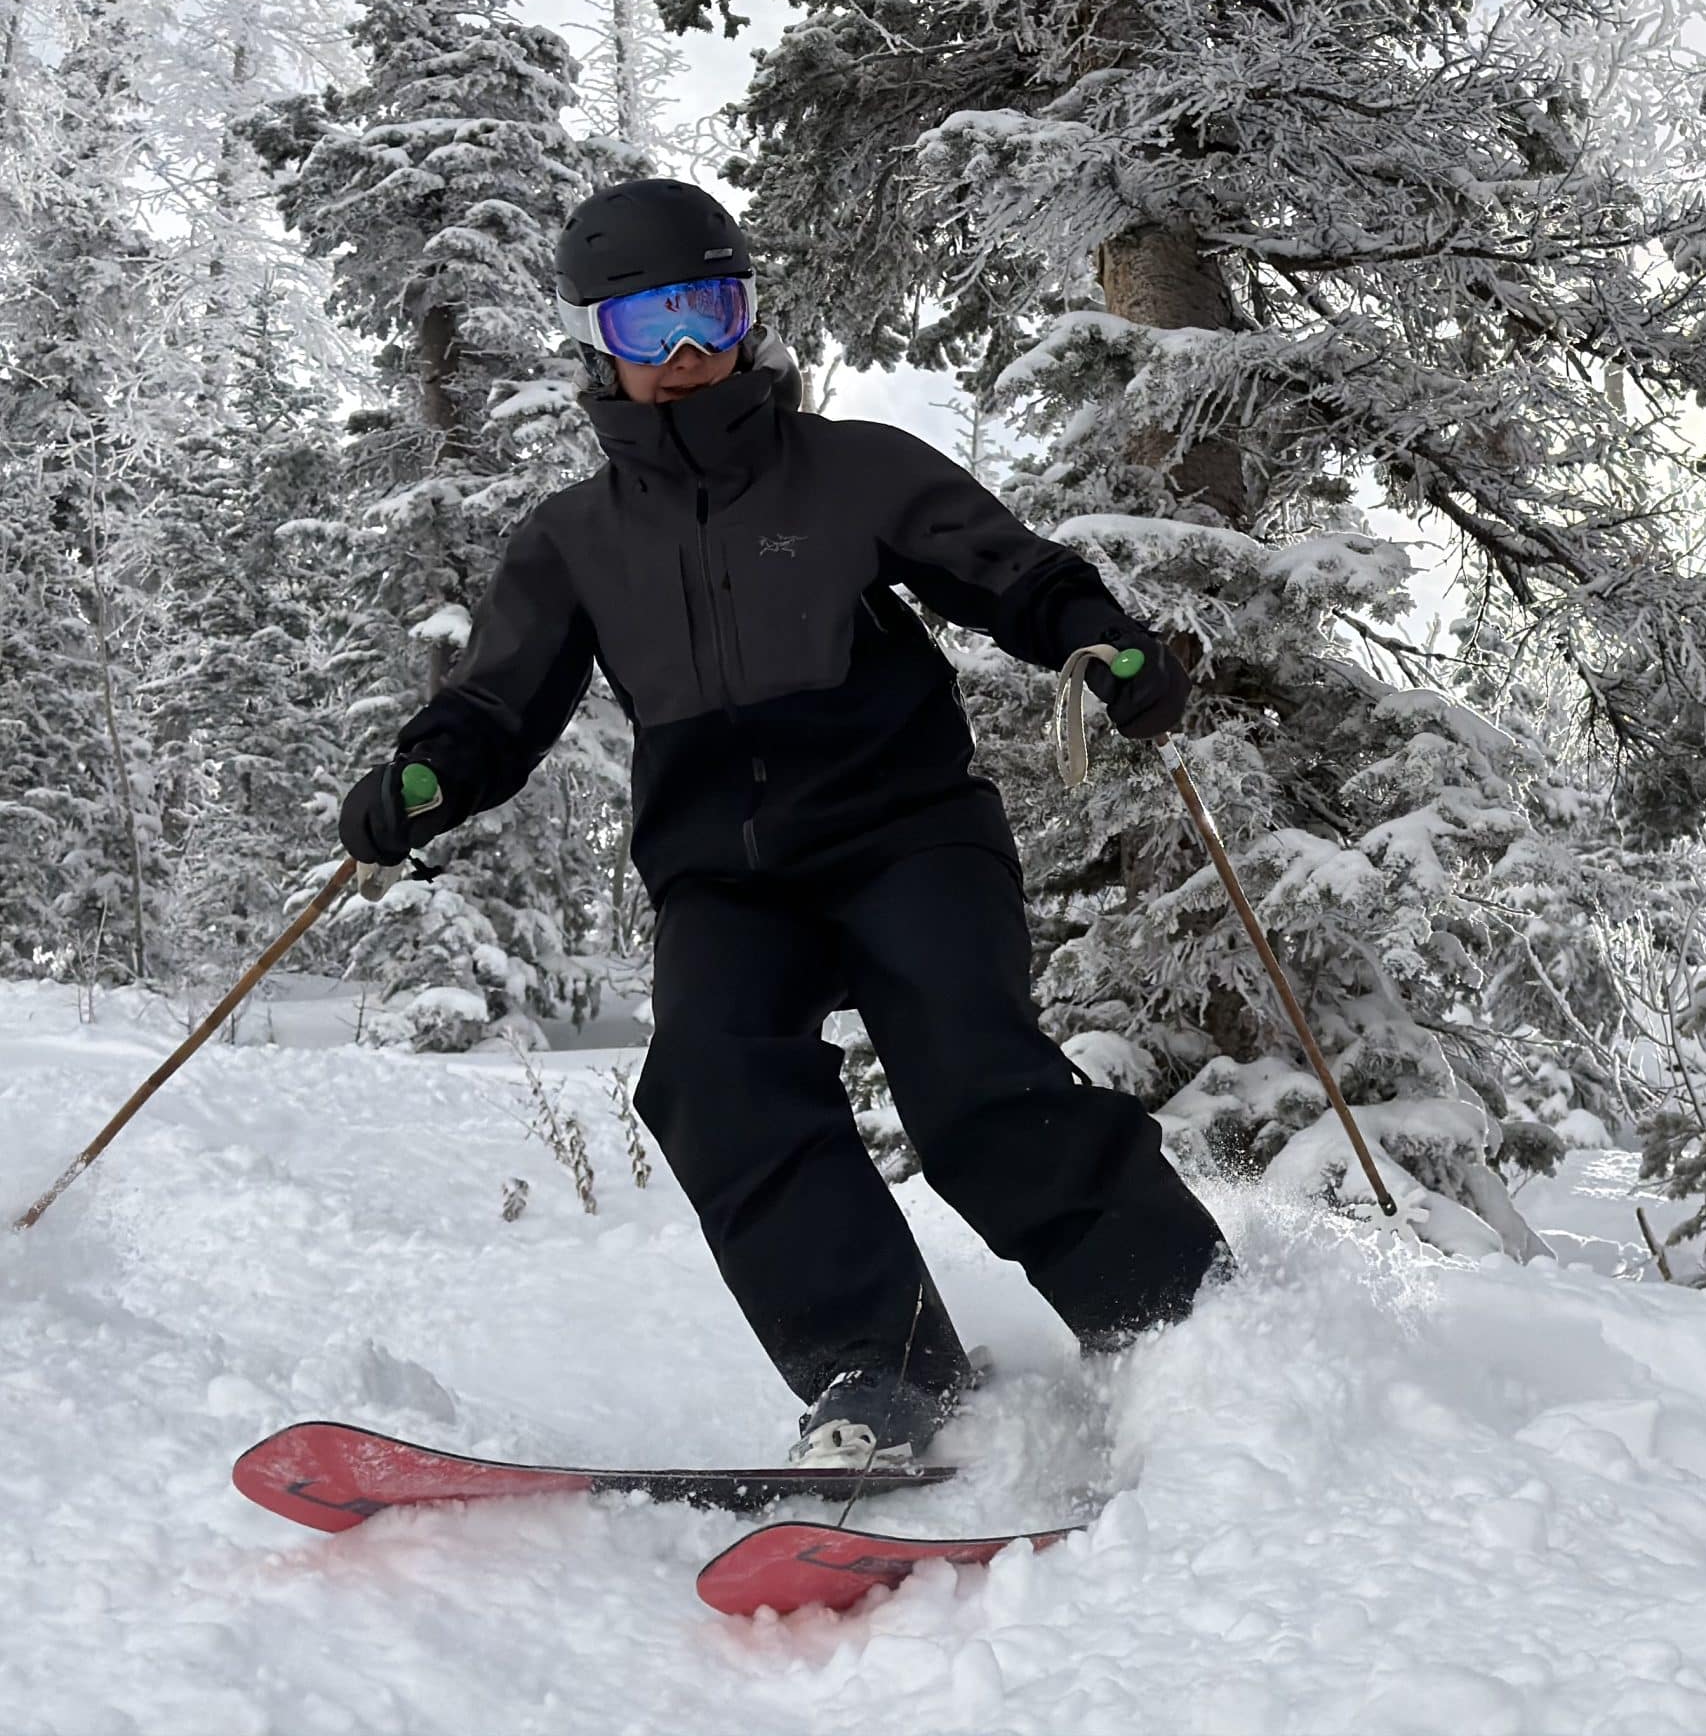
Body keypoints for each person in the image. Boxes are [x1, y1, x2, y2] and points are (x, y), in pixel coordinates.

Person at [338, 179, 1231, 1468]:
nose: (690, 352)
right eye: (652, 328)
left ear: (748, 316)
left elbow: (1015, 576)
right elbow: (496, 704)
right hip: (725, 877)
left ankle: (1177, 1327)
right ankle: (882, 1372)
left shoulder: (854, 469)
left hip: (909, 832)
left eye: (710, 311)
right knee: (714, 1080)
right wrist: (424, 779)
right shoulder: (574, 540)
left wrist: (1102, 640)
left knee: (969, 1072)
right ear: (600, 345)